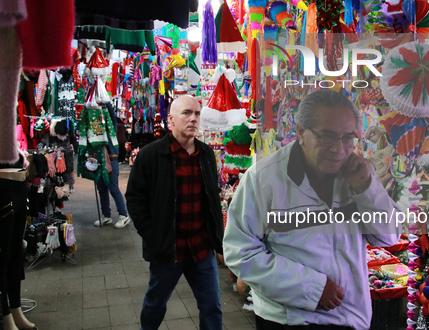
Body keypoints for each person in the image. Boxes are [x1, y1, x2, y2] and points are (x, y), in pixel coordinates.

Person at [223, 90, 402, 330]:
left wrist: (366, 189)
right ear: (301, 133)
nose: (339, 149)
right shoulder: (264, 179)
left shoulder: (356, 174)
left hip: (351, 316)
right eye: (327, 137)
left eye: (348, 137)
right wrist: (311, 288)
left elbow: (388, 236)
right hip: (290, 320)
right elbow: (240, 252)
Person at [126, 95, 224, 330]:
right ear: (170, 119)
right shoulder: (151, 155)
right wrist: (153, 235)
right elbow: (135, 199)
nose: (193, 119)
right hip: (168, 248)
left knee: (212, 307)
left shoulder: (206, 155)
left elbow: (212, 197)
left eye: (197, 114)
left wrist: (217, 237)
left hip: (201, 247)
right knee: (155, 304)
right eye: (186, 113)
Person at [93, 102, 131, 229]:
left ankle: (123, 215)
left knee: (113, 188)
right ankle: (106, 215)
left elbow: (112, 116)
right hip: (99, 160)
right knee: (101, 188)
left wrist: (105, 101)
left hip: (111, 159)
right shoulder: (97, 128)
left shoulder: (111, 127)